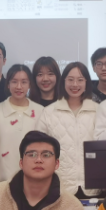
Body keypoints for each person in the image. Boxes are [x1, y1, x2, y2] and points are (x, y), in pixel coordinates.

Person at [36, 61, 100, 197]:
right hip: (60, 186)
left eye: (80, 80)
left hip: (93, 185)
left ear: (87, 83)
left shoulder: (98, 111)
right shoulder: (49, 112)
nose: (75, 84)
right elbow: (39, 148)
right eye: (70, 80)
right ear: (63, 82)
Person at [0, 64, 43, 181]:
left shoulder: (40, 111)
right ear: (8, 84)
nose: (19, 87)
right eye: (14, 82)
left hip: (35, 180)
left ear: (30, 84)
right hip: (3, 181)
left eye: (24, 82)